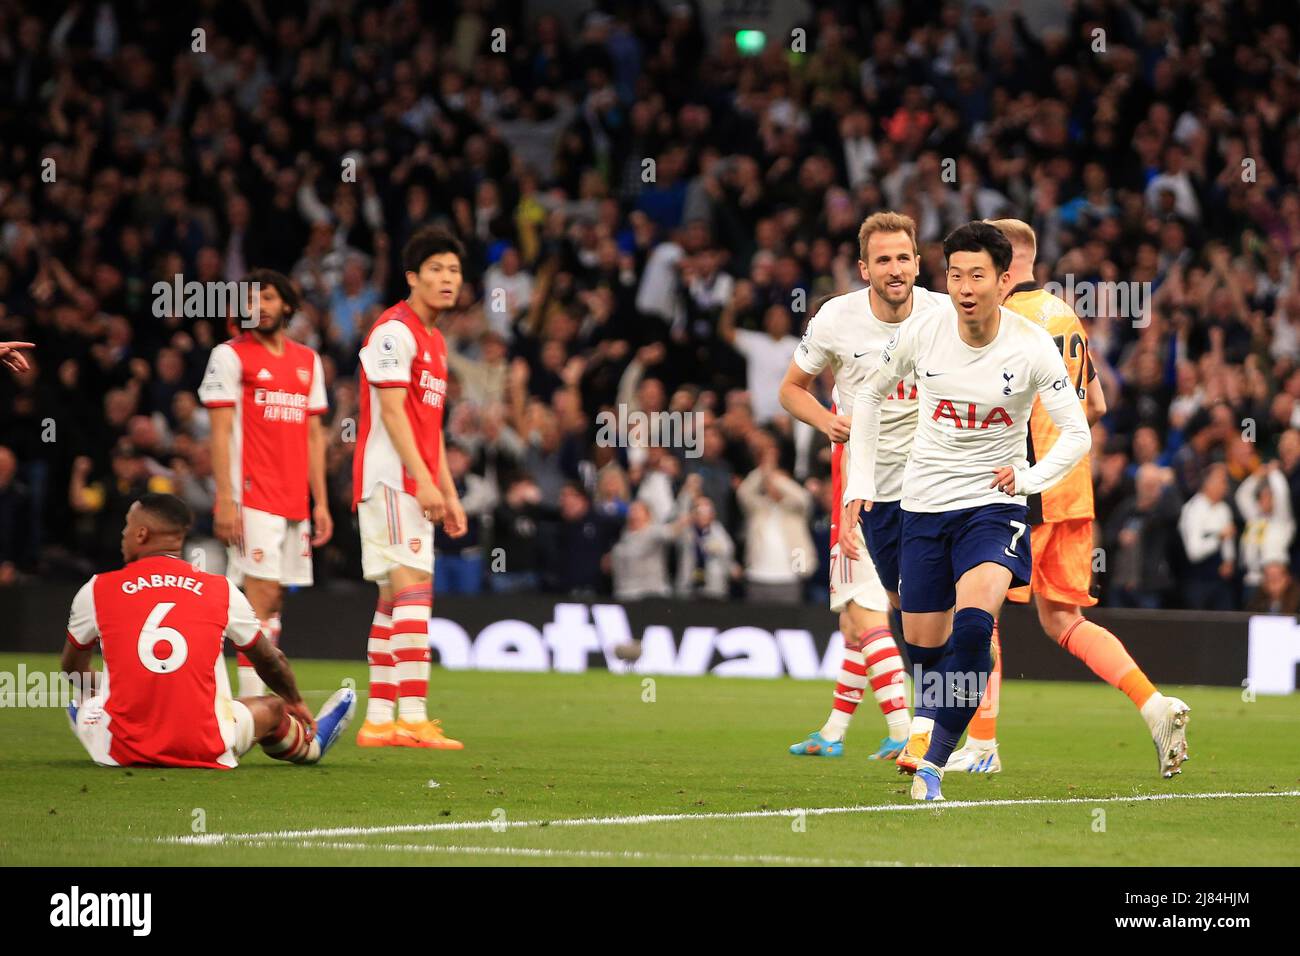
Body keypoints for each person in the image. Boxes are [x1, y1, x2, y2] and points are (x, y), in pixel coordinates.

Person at [842, 221, 1092, 801]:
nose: (964, 287)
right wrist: (861, 482)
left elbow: (1077, 433)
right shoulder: (924, 332)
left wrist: (1028, 479)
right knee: (927, 650)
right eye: (955, 274)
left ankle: (934, 763)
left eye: (977, 274)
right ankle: (935, 721)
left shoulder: (1030, 345)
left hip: (993, 508)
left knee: (977, 625)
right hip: (923, 507)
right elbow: (871, 395)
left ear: (1005, 280)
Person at [947, 219, 1190, 778]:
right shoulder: (1065, 316)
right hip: (1072, 489)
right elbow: (1097, 405)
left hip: (1022, 488)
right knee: (1061, 619)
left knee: (977, 606)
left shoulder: (1007, 321)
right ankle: (1155, 706)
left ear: (1003, 269)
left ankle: (982, 744)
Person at [778, 211, 950, 759]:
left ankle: (910, 729)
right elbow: (791, 389)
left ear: (919, 264)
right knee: (860, 612)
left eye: (903, 258)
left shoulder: (943, 312)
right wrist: (826, 422)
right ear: (864, 268)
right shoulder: (836, 319)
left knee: (872, 611)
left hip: (931, 482)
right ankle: (844, 731)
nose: (895, 269)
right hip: (862, 484)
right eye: (883, 260)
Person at [61, 494, 354, 769]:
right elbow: (269, 660)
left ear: (141, 534)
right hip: (205, 746)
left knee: (83, 703)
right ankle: (311, 745)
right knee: (273, 707)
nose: (123, 534)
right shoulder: (220, 589)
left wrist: (113, 685)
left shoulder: (97, 589)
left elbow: (72, 668)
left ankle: (89, 715)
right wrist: (294, 700)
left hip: (121, 752)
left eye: (127, 526)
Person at [351, 228, 468, 749]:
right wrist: (421, 481)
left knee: (392, 599)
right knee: (416, 590)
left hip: (412, 480)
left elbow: (431, 428)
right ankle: (414, 716)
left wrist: (449, 490)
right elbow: (394, 414)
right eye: (437, 269)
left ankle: (379, 720)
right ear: (412, 278)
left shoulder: (436, 341)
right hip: (391, 479)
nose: (448, 279)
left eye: (455, 271)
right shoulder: (393, 332)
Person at [199, 269, 333, 697]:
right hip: (251, 496)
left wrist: (321, 503)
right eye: (251, 300)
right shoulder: (229, 356)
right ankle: (254, 704)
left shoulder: (307, 361)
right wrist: (225, 499)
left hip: (295, 500)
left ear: (288, 306)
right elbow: (219, 431)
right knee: (260, 595)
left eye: (268, 298)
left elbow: (315, 436)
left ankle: (248, 695)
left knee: (273, 600)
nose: (259, 307)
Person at [1178, 463, 1238, 611]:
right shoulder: (1194, 509)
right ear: (1207, 483)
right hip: (1199, 581)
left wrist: (1228, 561)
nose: (1226, 486)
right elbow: (1194, 552)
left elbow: (1228, 540)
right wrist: (1218, 537)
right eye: (1222, 481)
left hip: (1221, 581)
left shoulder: (1223, 509)